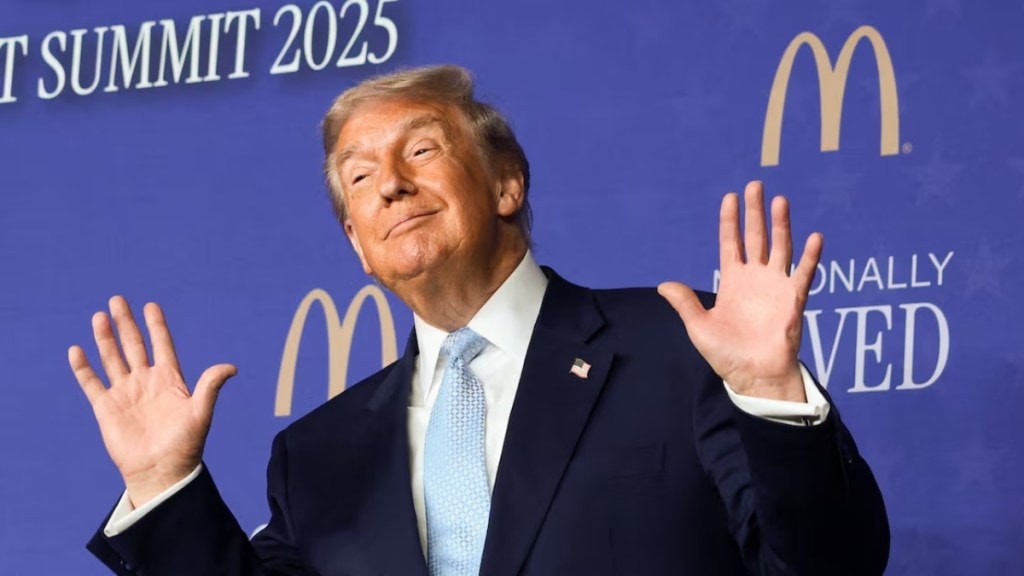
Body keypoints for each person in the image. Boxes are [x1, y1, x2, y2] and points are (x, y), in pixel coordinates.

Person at [70, 65, 889, 575]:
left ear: (506, 184)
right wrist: (164, 487)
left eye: (421, 150)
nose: (390, 184)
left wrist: (769, 396)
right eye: (360, 178)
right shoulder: (317, 457)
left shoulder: (678, 348)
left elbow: (830, 565)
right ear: (357, 245)